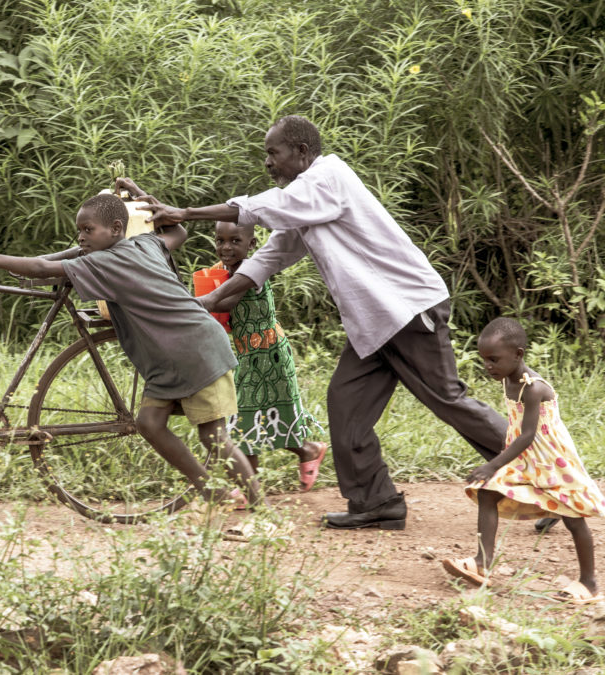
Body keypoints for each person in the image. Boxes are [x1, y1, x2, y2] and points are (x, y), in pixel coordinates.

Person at [126, 114, 508, 530]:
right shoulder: (306, 199)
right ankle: (376, 502)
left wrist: (184, 211)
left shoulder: (328, 178)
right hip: (375, 324)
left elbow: (266, 208)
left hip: (408, 310)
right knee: (346, 407)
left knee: (449, 401)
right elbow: (273, 254)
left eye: (274, 153)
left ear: (302, 152)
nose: (268, 162)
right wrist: (212, 298)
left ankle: (550, 472)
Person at [0, 191, 262, 520]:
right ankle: (209, 490)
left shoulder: (107, 262)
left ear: (116, 228)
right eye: (80, 231)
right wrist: (152, 204)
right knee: (149, 422)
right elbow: (178, 232)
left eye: (88, 230)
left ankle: (261, 507)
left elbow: (43, 267)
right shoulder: (144, 244)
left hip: (197, 351)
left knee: (214, 436)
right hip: (172, 357)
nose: (81, 237)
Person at [442, 318, 604, 603]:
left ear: (518, 354)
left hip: (553, 462)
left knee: (574, 519)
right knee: (488, 492)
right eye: (484, 360)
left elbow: (527, 435)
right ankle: (482, 563)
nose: (488, 366)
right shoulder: (508, 378)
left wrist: (493, 464)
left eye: (494, 359)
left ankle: (589, 583)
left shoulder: (534, 388)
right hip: (528, 460)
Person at [208, 218, 327, 491]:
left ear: (252, 244)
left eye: (235, 241)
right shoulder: (226, 270)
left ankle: (249, 488)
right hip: (251, 355)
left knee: (244, 419)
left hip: (268, 355)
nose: (226, 247)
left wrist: (201, 301)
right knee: (267, 415)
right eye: (220, 241)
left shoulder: (250, 271)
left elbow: (226, 301)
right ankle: (308, 450)